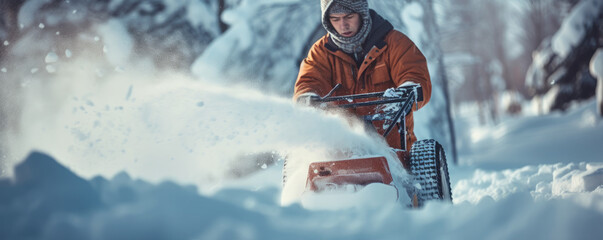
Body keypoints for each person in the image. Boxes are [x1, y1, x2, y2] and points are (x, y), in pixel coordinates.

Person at [293, 0, 432, 151]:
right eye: (335, 19)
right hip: (342, 152)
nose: (343, 25)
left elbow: (414, 74)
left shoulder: (395, 43)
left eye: (349, 17)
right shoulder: (320, 53)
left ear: (362, 14)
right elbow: (310, 80)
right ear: (327, 21)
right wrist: (307, 97)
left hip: (394, 150)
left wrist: (408, 89)